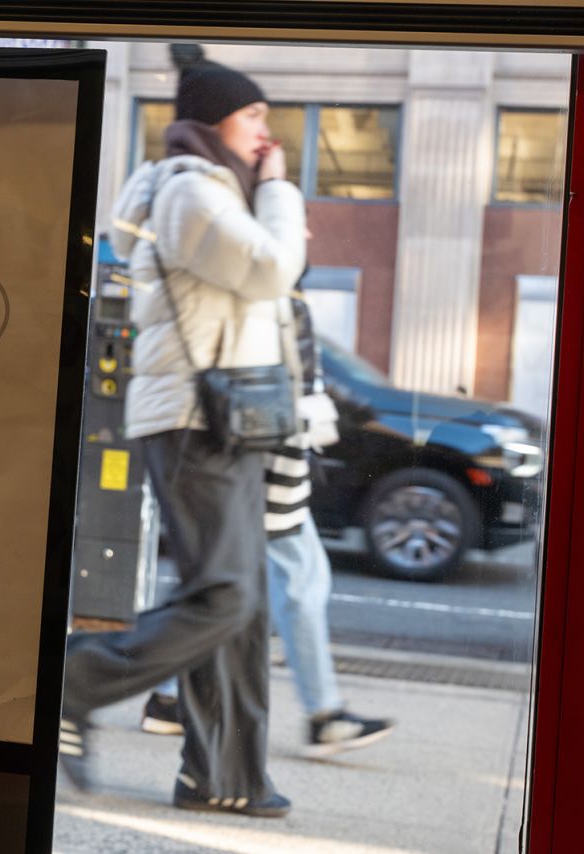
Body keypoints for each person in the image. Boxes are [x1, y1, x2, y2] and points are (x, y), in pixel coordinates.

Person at [59, 55, 304, 818]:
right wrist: (282, 191)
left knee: (242, 606)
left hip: (229, 418)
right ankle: (73, 681)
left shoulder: (219, 188)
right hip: (197, 422)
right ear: (215, 121)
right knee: (226, 597)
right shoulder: (194, 191)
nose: (267, 131)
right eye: (254, 116)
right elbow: (271, 272)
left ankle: (223, 776)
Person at [141, 294, 396, 758]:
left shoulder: (279, 297)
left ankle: (167, 698)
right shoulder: (270, 295)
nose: (306, 233)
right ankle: (323, 716)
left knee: (237, 587)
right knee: (284, 587)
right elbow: (272, 387)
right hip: (269, 468)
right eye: (300, 223)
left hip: (275, 465)